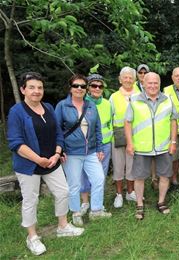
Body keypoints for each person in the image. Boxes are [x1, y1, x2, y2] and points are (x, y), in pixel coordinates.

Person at [7, 72, 84, 256]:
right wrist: (37, 159)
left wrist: (57, 153)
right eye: (32, 87)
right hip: (29, 166)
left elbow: (58, 133)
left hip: (52, 161)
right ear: (23, 89)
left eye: (40, 87)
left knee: (63, 192)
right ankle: (32, 237)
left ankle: (63, 226)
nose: (36, 91)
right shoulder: (17, 112)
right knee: (30, 200)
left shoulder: (48, 107)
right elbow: (16, 143)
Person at [55, 74, 111, 226]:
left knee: (99, 179)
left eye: (82, 86)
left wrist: (99, 148)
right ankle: (76, 213)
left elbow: (97, 128)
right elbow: (57, 130)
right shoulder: (62, 106)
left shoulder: (90, 105)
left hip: (91, 151)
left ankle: (96, 211)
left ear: (86, 89)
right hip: (72, 152)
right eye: (76, 86)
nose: (79, 88)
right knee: (74, 184)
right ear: (70, 88)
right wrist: (60, 150)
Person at [125, 72, 178, 220]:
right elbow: (127, 122)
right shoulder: (134, 99)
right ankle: (139, 204)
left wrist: (173, 142)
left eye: (156, 83)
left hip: (163, 146)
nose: (153, 86)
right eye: (150, 83)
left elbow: (174, 121)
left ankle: (161, 202)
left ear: (159, 84)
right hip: (142, 146)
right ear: (143, 84)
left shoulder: (168, 99)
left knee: (165, 175)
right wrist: (130, 143)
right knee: (139, 177)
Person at [80, 74, 113, 215]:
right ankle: (85, 203)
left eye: (100, 86)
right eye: (94, 85)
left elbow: (110, 123)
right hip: (86, 146)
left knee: (101, 175)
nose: (97, 88)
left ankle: (97, 204)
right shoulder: (81, 103)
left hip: (104, 145)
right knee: (84, 175)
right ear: (88, 87)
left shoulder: (107, 104)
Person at [110, 67, 138, 208]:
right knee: (119, 165)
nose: (128, 80)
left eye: (130, 77)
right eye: (125, 77)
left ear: (134, 79)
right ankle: (119, 194)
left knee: (132, 165)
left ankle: (131, 191)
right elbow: (110, 117)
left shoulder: (140, 94)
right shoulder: (114, 97)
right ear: (120, 79)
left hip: (135, 135)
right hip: (119, 135)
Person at [163, 67, 179, 191]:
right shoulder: (165, 91)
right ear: (172, 77)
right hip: (172, 132)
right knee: (172, 158)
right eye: (177, 75)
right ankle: (171, 181)